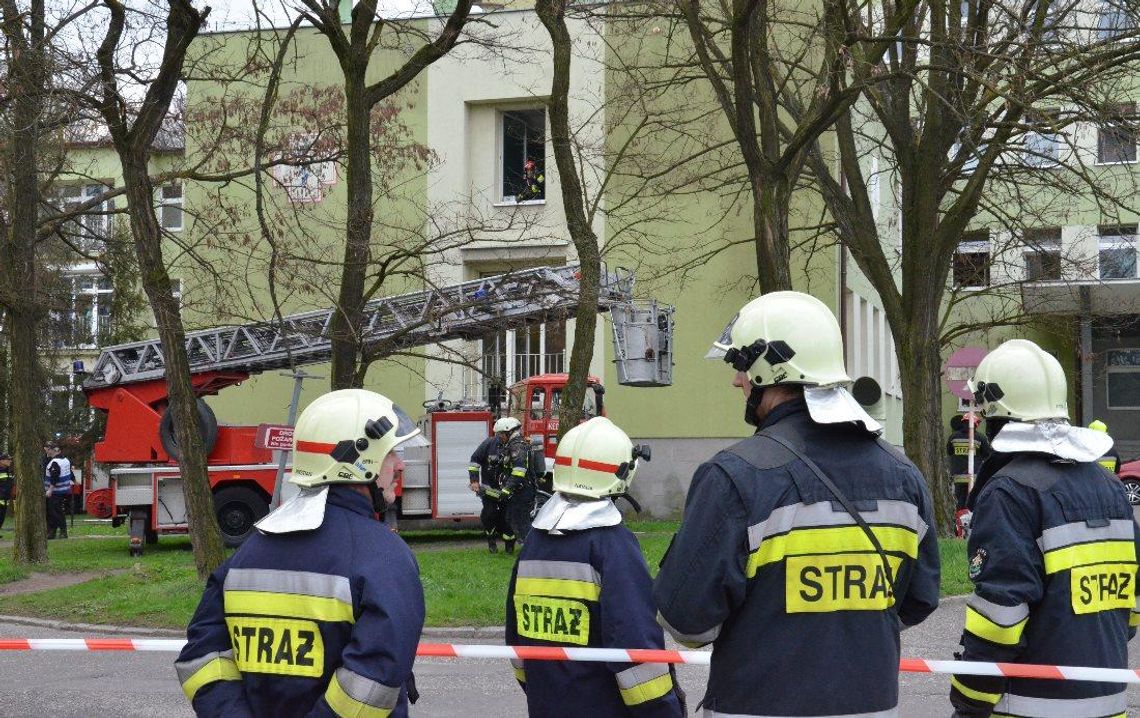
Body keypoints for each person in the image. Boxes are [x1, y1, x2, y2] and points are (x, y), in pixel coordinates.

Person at [653, 291, 940, 718]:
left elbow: (686, 623)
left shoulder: (734, 477)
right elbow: (918, 599)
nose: (737, 381)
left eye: (741, 367)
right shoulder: (904, 475)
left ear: (769, 369)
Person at [175, 389, 426, 717]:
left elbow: (201, 660)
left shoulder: (249, 551)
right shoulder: (384, 557)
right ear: (358, 459)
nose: (399, 464)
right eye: (392, 453)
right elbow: (371, 683)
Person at [949, 339, 1140, 718]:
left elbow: (1000, 618)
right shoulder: (1110, 487)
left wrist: (969, 703)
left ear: (995, 413)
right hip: (1110, 704)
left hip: (1030, 708)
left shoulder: (1009, 492)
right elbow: (1128, 609)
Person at [505, 416, 684, 718]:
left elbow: (518, 647)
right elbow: (637, 652)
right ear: (622, 473)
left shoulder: (533, 544)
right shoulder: (612, 546)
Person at [468, 416, 525, 554]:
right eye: (498, 434)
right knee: (489, 514)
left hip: (509, 490)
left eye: (502, 434)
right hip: (490, 490)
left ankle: (509, 547)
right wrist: (474, 480)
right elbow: (474, 461)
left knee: (507, 519)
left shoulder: (516, 446)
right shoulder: (489, 444)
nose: (500, 437)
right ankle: (491, 541)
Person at [947, 413, 992, 511]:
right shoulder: (980, 438)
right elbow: (987, 455)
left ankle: (959, 522)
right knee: (973, 502)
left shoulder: (953, 438)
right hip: (974, 478)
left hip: (958, 478)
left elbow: (950, 452)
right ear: (975, 424)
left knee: (960, 502)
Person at [43, 441, 73, 540]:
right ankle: (55, 532)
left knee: (54, 512)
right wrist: (74, 480)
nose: (47, 451)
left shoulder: (54, 462)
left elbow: (54, 477)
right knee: (57, 511)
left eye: (48, 449)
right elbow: (70, 472)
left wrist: (50, 490)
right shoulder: (65, 460)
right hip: (64, 489)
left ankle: (61, 531)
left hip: (55, 491)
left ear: (52, 450)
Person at [0, 453, 12, 531]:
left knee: (2, 518)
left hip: (5, 499)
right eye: (8, 460)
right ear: (2, 461)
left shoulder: (8, 471)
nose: (10, 461)